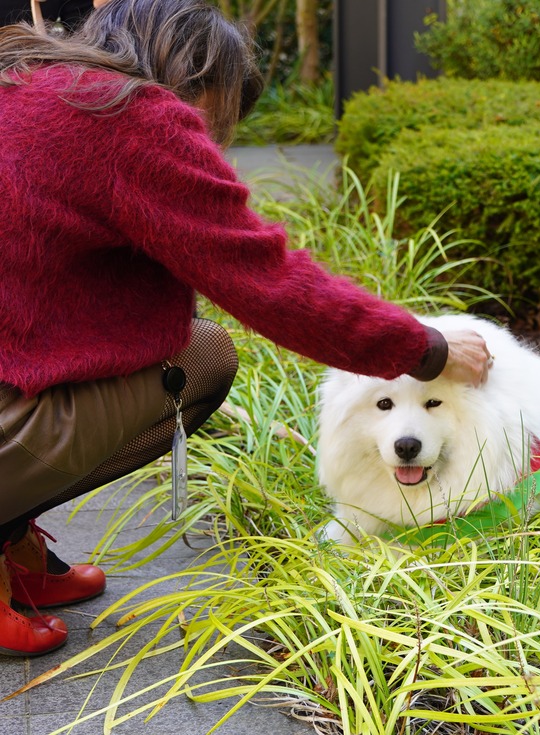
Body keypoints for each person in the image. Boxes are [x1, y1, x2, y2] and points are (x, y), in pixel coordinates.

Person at [0, 0, 493, 657]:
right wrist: (425, 347)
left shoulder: (31, 77)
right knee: (202, 358)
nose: (212, 141)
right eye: (221, 111)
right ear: (197, 78)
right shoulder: (129, 115)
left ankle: (15, 540)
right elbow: (269, 282)